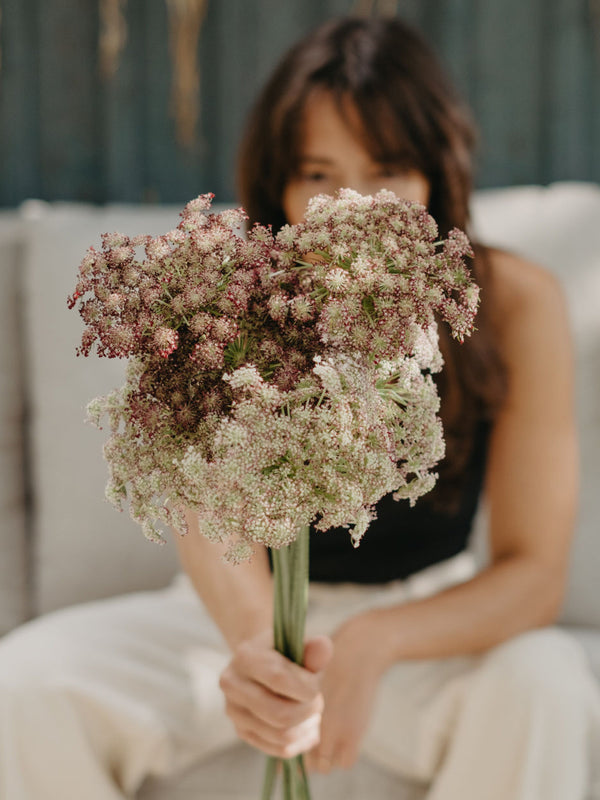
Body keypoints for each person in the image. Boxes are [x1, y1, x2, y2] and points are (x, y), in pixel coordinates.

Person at [0, 15, 598, 800]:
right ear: (277, 187)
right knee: (25, 685)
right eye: (317, 174)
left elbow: (533, 575)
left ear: (435, 178)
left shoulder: (514, 303)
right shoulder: (225, 301)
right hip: (231, 621)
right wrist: (258, 647)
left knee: (549, 682)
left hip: (421, 628)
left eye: (386, 169)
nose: (350, 203)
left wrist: (373, 643)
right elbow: (206, 523)